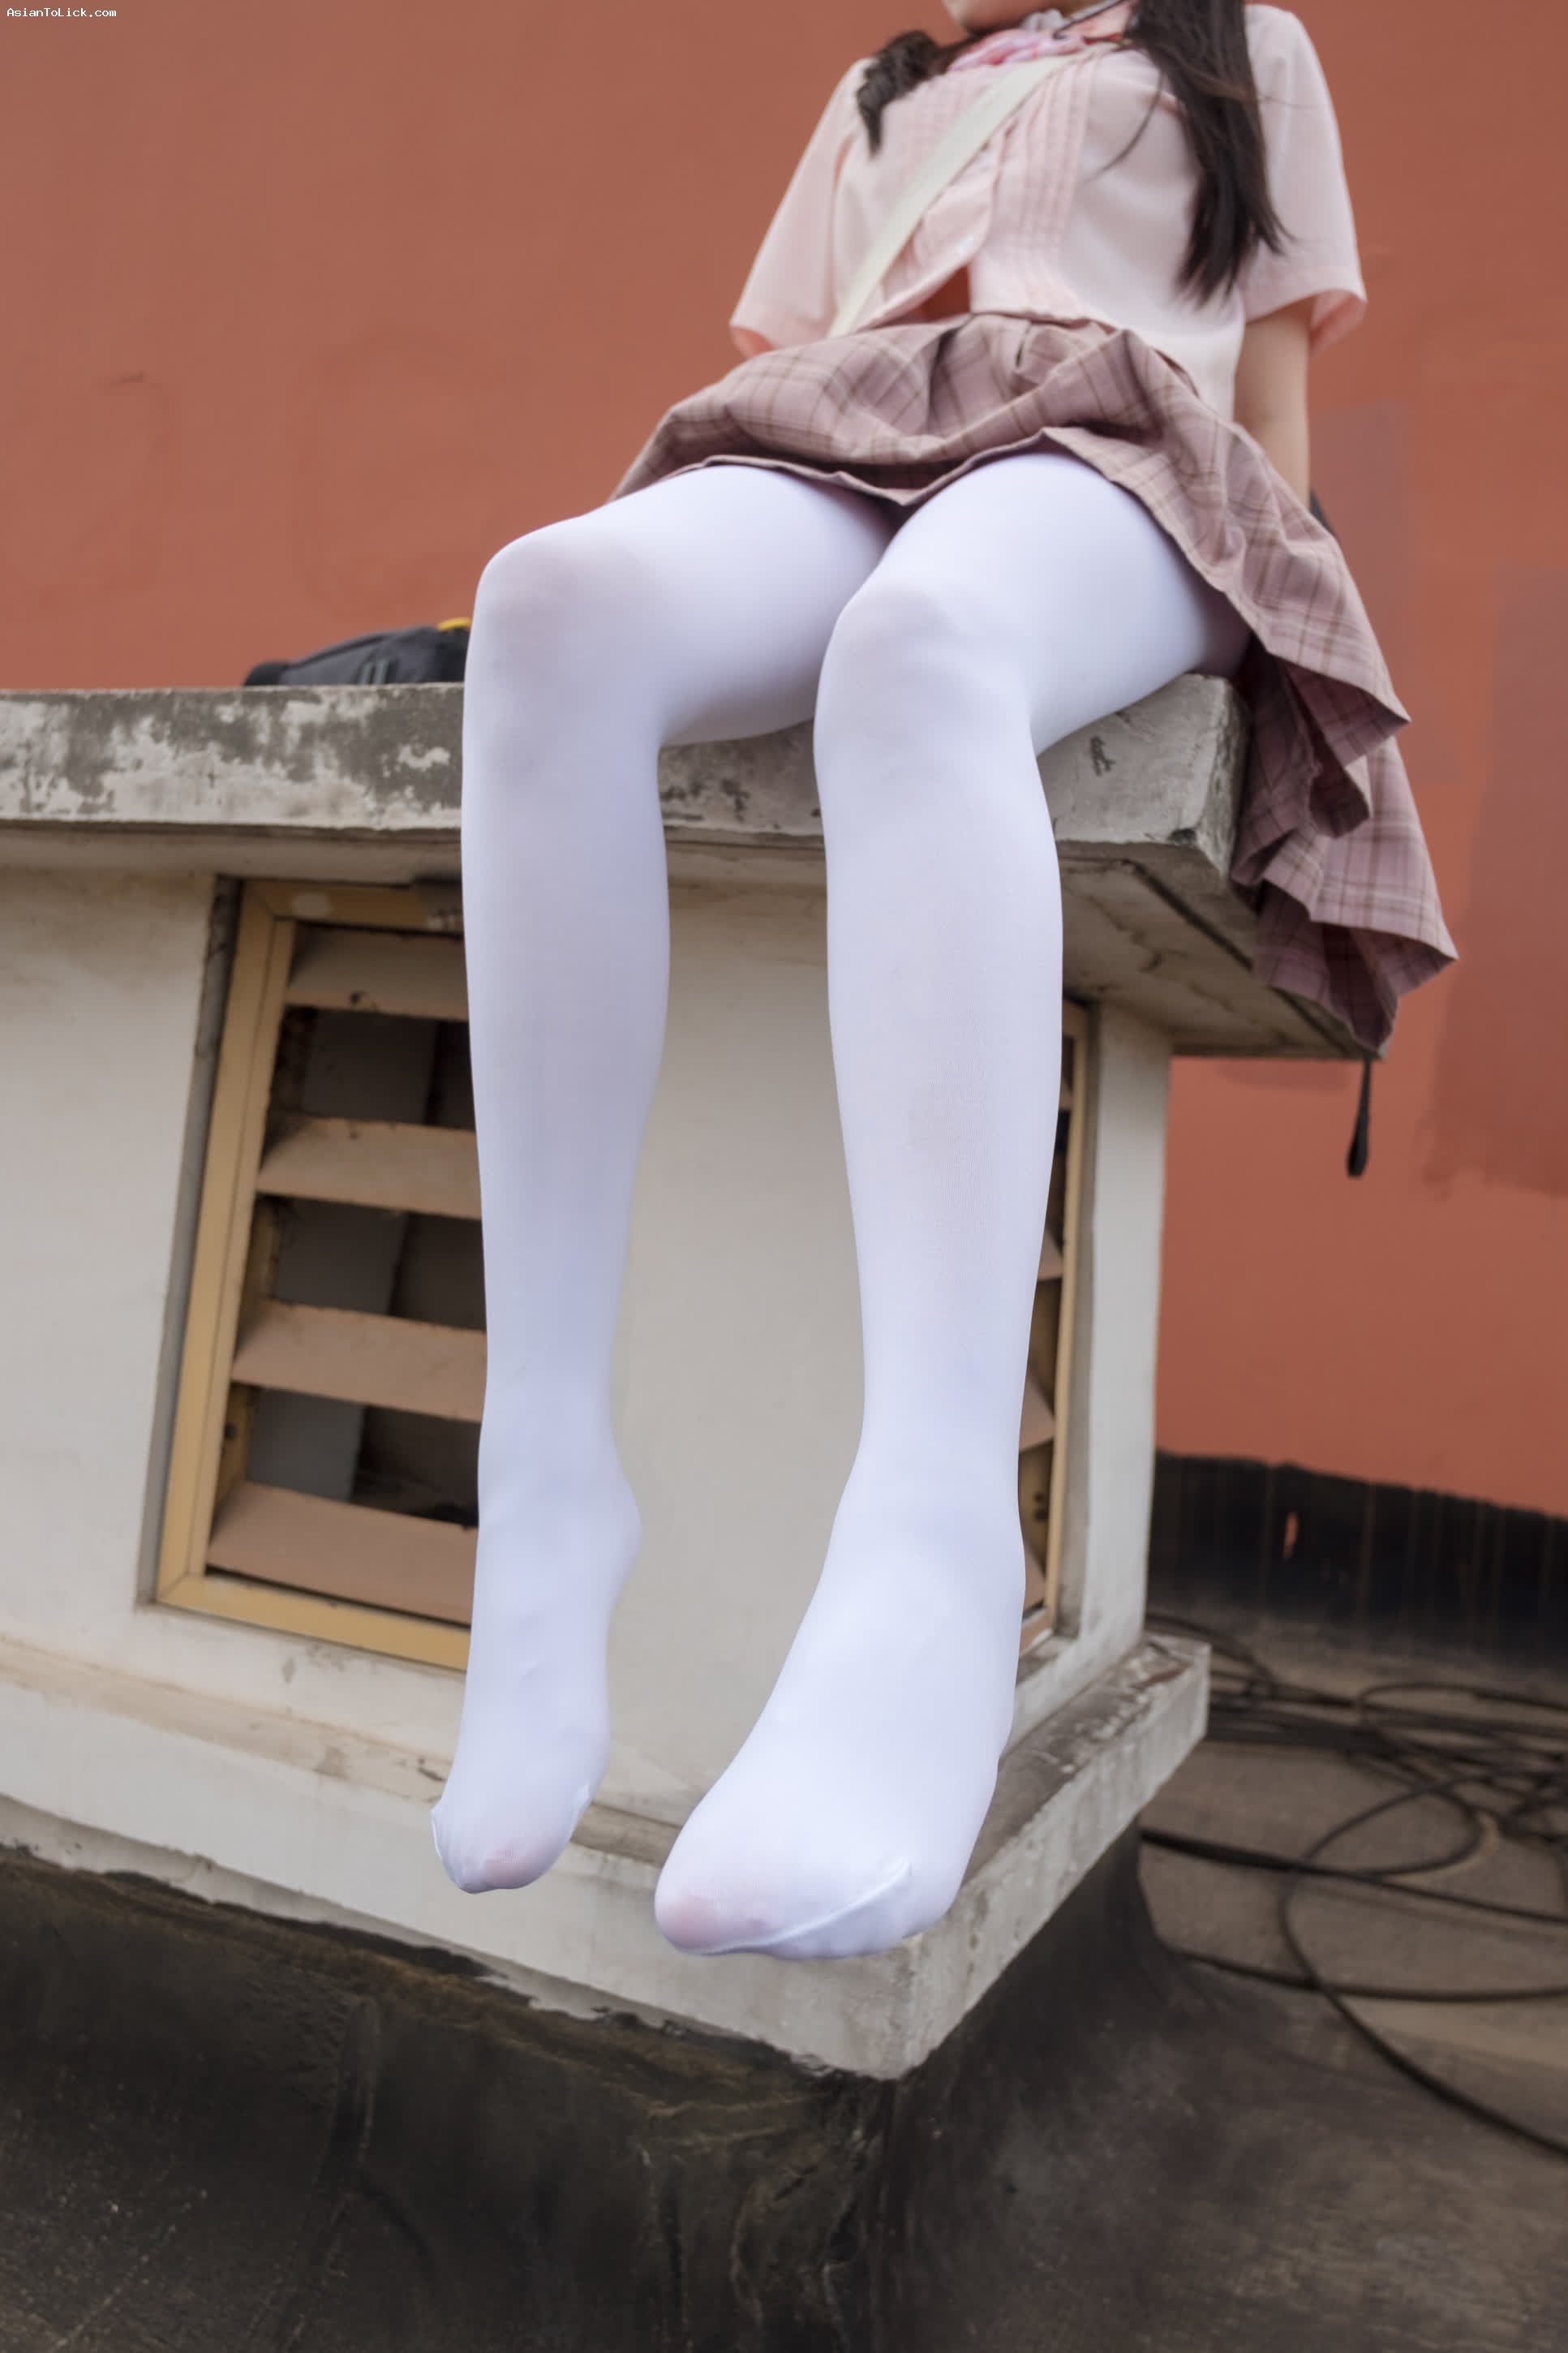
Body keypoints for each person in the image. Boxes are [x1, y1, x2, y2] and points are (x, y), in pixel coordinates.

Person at [430, 0, 1454, 1961]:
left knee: (921, 649)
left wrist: (1285, 635)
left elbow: (1268, 398)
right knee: (547, 602)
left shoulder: (1235, 43)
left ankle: (930, 1534)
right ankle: (546, 1476)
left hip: (1126, 460)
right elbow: (803, 357)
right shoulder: (882, 90)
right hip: (857, 431)